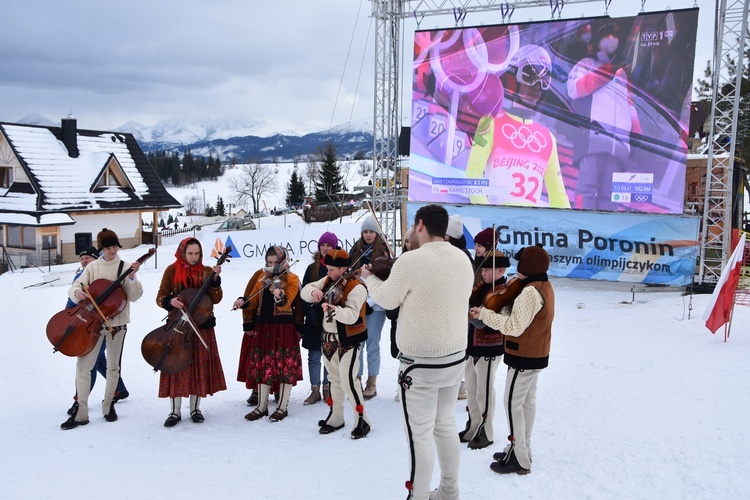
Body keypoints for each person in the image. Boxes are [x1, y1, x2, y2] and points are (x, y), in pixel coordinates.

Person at [362, 204, 473, 500]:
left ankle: (419, 495)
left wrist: (369, 278)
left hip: (419, 365)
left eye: (413, 225)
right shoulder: (463, 259)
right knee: (445, 424)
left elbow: (386, 299)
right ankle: (449, 491)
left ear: (420, 225)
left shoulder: (411, 261)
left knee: (419, 435)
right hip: (454, 358)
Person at [469, 245, 555, 475]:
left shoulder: (529, 291)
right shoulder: (542, 285)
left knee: (513, 403)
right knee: (526, 403)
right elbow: (520, 318)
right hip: (535, 352)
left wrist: (486, 314)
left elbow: (514, 328)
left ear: (529, 267)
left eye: (520, 265)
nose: (517, 270)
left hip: (524, 354)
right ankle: (521, 448)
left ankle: (520, 457)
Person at [465, 44, 571, 209]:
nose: (536, 86)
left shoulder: (548, 139)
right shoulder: (490, 123)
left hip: (528, 231)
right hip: (496, 226)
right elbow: (472, 174)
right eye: (529, 76)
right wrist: (486, 216)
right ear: (514, 79)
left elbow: (560, 198)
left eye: (543, 81)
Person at [61, 229, 143, 430]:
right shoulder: (93, 267)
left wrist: (132, 278)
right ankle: (81, 412)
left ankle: (108, 406)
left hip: (117, 325)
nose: (112, 251)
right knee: (83, 366)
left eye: (115, 246)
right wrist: (77, 292)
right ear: (101, 249)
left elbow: (135, 296)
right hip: (93, 325)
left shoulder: (124, 267)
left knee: (113, 366)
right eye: (108, 248)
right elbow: (74, 287)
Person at [567, 23, 641, 210]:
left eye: (615, 36)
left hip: (619, 146)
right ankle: (581, 226)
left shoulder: (623, 73)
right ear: (598, 42)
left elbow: (629, 104)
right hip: (595, 139)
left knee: (611, 195)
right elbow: (575, 89)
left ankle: (604, 234)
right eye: (607, 35)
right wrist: (608, 70)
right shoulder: (586, 64)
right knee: (587, 188)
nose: (611, 39)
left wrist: (637, 134)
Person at [300, 249, 371, 439]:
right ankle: (336, 416)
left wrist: (335, 310)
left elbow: (352, 315)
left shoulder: (357, 287)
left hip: (348, 339)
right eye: (327, 269)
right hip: (328, 339)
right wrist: (314, 291)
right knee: (334, 379)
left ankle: (362, 419)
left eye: (332, 269)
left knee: (349, 380)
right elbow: (305, 290)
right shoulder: (327, 281)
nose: (328, 273)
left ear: (344, 268)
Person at [156, 237, 227, 427]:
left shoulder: (206, 271)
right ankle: (174, 411)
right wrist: (170, 302)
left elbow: (216, 298)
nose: (194, 258)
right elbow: (160, 296)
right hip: (178, 326)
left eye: (197, 254)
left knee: (198, 367)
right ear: (182, 252)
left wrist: (214, 281)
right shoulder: (171, 271)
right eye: (190, 254)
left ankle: (195, 408)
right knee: (175, 365)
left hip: (201, 326)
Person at [234, 246, 302, 422]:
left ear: (283, 262)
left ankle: (282, 407)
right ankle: (261, 407)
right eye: (269, 262)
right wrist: (243, 301)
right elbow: (253, 300)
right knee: (263, 366)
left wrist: (280, 296)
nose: (271, 266)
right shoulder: (262, 277)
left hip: (283, 328)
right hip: (263, 327)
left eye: (275, 262)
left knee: (285, 367)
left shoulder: (292, 279)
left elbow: (286, 304)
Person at [65, 246, 130, 417]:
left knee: (90, 364)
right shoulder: (82, 275)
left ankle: (78, 401)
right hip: (87, 325)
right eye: (82, 258)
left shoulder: (102, 274)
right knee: (98, 361)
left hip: (100, 326)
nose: (84, 261)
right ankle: (119, 389)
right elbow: (72, 303)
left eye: (88, 258)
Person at [461, 251, 510, 451]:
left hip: (490, 346)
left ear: (501, 270)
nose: (484, 274)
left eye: (489, 270)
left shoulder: (504, 292)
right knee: (472, 389)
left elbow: (500, 320)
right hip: (472, 345)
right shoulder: (481, 287)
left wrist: (480, 314)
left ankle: (487, 430)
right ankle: (473, 426)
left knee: (484, 390)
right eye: (483, 270)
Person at [349, 215, 392, 400]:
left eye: (371, 231)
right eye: (365, 231)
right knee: (357, 344)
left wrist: (371, 301)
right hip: (358, 305)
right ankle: (357, 378)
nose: (368, 235)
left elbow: (387, 280)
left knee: (372, 344)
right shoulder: (355, 251)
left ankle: (372, 380)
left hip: (376, 305)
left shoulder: (383, 252)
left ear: (377, 233)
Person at [300, 231, 336, 405]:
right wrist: (311, 314)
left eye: (329, 245)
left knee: (329, 355)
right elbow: (303, 292)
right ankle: (314, 389)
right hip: (314, 318)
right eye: (323, 245)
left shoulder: (337, 269)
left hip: (330, 318)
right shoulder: (311, 268)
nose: (325, 248)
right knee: (314, 356)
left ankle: (327, 387)